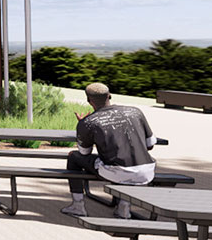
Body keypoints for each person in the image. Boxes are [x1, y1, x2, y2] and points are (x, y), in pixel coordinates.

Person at [60, 83, 156, 219]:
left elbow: (84, 153)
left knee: (74, 157)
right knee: (123, 162)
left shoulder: (88, 122)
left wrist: (82, 127)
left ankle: (78, 206)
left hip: (116, 172)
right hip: (147, 171)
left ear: (89, 101)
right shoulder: (135, 111)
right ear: (109, 95)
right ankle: (124, 206)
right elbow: (150, 145)